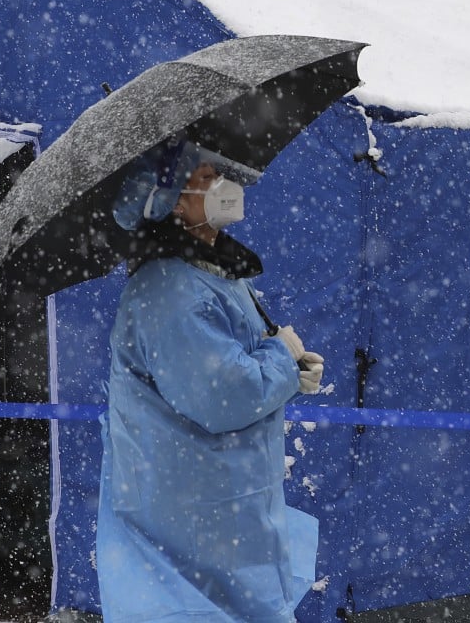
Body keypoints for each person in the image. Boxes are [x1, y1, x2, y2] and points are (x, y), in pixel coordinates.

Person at [96, 138, 326, 622]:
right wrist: (280, 360)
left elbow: (237, 363)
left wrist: (286, 370)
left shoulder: (213, 274)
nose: (229, 184)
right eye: (207, 176)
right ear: (172, 199)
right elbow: (223, 396)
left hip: (219, 512)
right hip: (190, 518)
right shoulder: (170, 288)